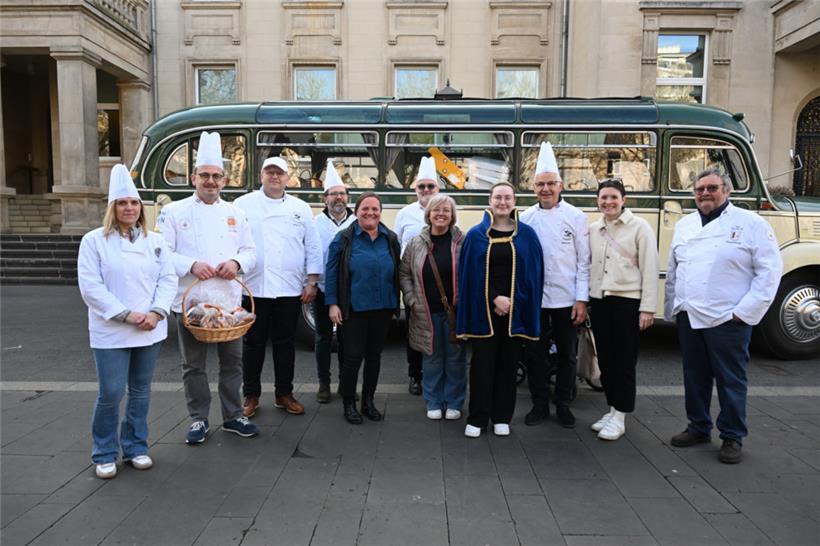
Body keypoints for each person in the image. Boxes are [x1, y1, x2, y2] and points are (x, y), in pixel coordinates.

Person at [665, 168, 782, 464]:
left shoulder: (750, 224)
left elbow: (769, 272)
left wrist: (744, 313)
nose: (705, 193)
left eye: (711, 188)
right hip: (690, 314)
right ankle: (698, 427)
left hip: (727, 318)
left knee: (731, 379)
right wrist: (673, 306)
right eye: (700, 189)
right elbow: (675, 269)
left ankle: (732, 436)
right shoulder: (686, 224)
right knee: (694, 377)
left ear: (727, 191)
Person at [157, 131, 259, 444]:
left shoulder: (236, 213)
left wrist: (236, 264)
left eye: (216, 176)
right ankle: (199, 419)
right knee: (193, 366)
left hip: (228, 305)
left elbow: (251, 252)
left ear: (225, 181)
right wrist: (190, 265)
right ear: (193, 177)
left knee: (233, 363)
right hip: (191, 303)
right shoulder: (174, 212)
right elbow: (161, 252)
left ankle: (233, 416)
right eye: (205, 175)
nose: (210, 181)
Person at [78, 164, 177, 479]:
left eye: (134, 203)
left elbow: (168, 279)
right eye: (123, 203)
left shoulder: (155, 241)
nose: (130, 208)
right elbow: (91, 287)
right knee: (110, 392)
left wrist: (156, 312)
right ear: (113, 207)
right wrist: (128, 314)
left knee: (141, 390)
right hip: (112, 330)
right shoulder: (94, 241)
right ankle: (105, 452)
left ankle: (136, 446)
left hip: (150, 328)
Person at [234, 156, 322, 417]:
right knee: (253, 344)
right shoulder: (242, 205)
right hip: (252, 288)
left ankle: (284, 393)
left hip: (289, 288)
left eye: (279, 173)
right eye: (270, 173)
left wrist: (312, 281)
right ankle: (251, 395)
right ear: (261, 175)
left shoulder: (301, 208)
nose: (275, 177)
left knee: (285, 344)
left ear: (287, 178)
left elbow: (313, 246)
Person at [457, 182, 543, 438]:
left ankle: (502, 416)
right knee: (482, 366)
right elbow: (469, 275)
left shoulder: (527, 234)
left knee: (508, 365)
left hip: (515, 311)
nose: (502, 202)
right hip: (484, 311)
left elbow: (533, 274)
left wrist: (513, 301)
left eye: (507, 197)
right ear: (490, 200)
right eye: (498, 197)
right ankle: (478, 417)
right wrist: (495, 298)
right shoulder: (475, 235)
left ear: (514, 201)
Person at [520, 142, 590, 428]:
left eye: (551, 183)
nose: (546, 189)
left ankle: (563, 403)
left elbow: (584, 261)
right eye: (540, 184)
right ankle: (539, 404)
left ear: (561, 186)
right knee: (534, 355)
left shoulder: (576, 217)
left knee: (567, 355)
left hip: (566, 299)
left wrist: (581, 300)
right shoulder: (525, 218)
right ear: (533, 188)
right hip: (535, 299)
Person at [588, 179, 659, 441]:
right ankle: (612, 408)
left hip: (627, 302)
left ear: (624, 199)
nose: (608, 202)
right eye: (603, 197)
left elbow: (650, 268)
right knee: (605, 360)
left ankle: (621, 416)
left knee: (624, 361)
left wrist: (648, 308)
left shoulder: (640, 227)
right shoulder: (594, 229)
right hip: (600, 301)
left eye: (613, 197)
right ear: (598, 200)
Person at [325, 192, 401, 424]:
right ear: (356, 212)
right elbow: (331, 272)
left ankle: (369, 400)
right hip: (354, 308)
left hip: (383, 307)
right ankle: (349, 402)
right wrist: (333, 303)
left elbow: (398, 268)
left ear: (381, 212)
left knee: (374, 357)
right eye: (365, 209)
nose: (370, 213)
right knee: (352, 358)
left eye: (375, 209)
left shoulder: (390, 238)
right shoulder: (344, 238)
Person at [399, 194, 467, 420]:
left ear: (452, 215)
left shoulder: (462, 241)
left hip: (455, 314)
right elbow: (405, 273)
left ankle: (455, 401)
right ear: (428, 214)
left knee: (456, 359)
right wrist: (411, 300)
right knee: (431, 357)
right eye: (436, 210)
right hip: (425, 311)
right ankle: (434, 401)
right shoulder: (416, 243)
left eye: (446, 210)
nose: (441, 214)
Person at [394, 156, 441, 395]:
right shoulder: (405, 213)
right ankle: (415, 375)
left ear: (438, 188)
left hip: (440, 285)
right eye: (421, 186)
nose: (425, 190)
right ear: (415, 189)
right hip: (414, 284)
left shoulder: (444, 210)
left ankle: (435, 375)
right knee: (415, 332)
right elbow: (398, 247)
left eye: (430, 186)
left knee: (439, 330)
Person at [312, 160, 356, 403]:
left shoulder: (356, 223)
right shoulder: (315, 223)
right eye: (333, 194)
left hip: (350, 291)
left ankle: (345, 384)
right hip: (322, 289)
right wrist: (307, 284)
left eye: (342, 194)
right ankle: (324, 383)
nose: (338, 198)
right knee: (323, 337)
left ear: (347, 198)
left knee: (348, 340)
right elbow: (308, 254)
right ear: (325, 198)